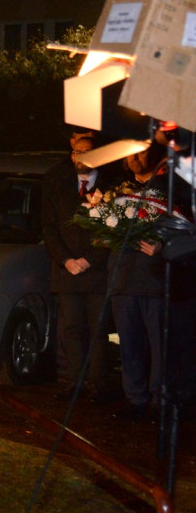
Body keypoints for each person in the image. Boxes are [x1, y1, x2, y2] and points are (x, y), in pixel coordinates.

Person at [40, 134, 114, 402]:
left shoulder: (110, 188)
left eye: (87, 152)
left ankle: (97, 385)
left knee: (97, 329)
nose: (81, 158)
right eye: (77, 152)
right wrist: (65, 260)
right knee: (71, 329)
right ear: (72, 155)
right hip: (67, 271)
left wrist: (90, 258)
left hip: (95, 272)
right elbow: (49, 227)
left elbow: (113, 229)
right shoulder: (58, 186)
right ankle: (74, 381)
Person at [108, 142, 169, 421]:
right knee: (129, 343)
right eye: (130, 154)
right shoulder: (117, 191)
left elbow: (182, 229)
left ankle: (160, 401)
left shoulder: (167, 190)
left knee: (159, 345)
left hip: (154, 281)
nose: (135, 158)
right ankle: (136, 399)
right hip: (123, 279)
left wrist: (161, 246)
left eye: (141, 152)